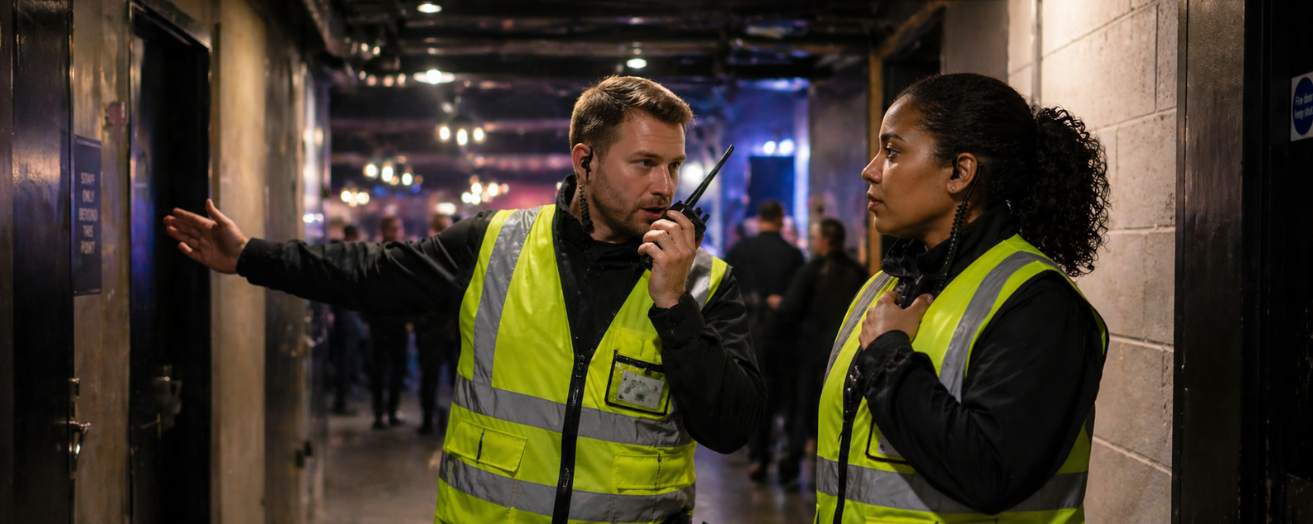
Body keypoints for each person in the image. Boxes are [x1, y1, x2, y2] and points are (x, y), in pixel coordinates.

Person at [163, 75, 763, 524]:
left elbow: (731, 426)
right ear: (585, 159)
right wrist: (248, 256)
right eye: (645, 164)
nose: (664, 185)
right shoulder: (496, 243)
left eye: (675, 166)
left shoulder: (706, 282)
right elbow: (372, 273)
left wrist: (674, 307)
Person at [815, 73, 1109, 522]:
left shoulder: (1038, 303)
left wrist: (891, 359)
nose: (870, 170)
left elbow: (991, 472)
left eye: (892, 152)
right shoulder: (886, 287)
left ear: (959, 172)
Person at [776, 218, 866, 485]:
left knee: (803, 408)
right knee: (842, 412)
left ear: (825, 241)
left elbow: (790, 308)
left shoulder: (812, 269)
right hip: (847, 354)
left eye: (815, 237)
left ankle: (791, 465)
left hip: (812, 352)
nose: (813, 242)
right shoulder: (858, 271)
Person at [726, 200, 805, 483]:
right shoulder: (794, 255)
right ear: (781, 219)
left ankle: (757, 456)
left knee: (755, 395)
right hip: (783, 337)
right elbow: (799, 300)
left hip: (746, 334)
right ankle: (783, 455)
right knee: (785, 398)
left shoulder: (740, 251)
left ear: (759, 219)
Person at [363, 216, 412, 430]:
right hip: (380, 321)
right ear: (384, 231)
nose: (396, 232)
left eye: (398, 228)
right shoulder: (375, 255)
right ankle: (379, 413)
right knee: (380, 371)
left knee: (396, 370)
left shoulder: (404, 255)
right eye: (393, 229)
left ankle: (390, 411)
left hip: (397, 321)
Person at [415, 213, 459, 435]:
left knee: (450, 380)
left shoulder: (435, 254)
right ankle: (429, 420)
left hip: (447, 328)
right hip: (435, 327)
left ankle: (436, 421)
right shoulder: (431, 254)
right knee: (432, 379)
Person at [327, 224, 369, 415]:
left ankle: (343, 398)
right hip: (345, 316)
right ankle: (341, 401)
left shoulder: (340, 253)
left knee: (346, 360)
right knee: (345, 360)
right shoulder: (347, 255)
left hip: (345, 315)